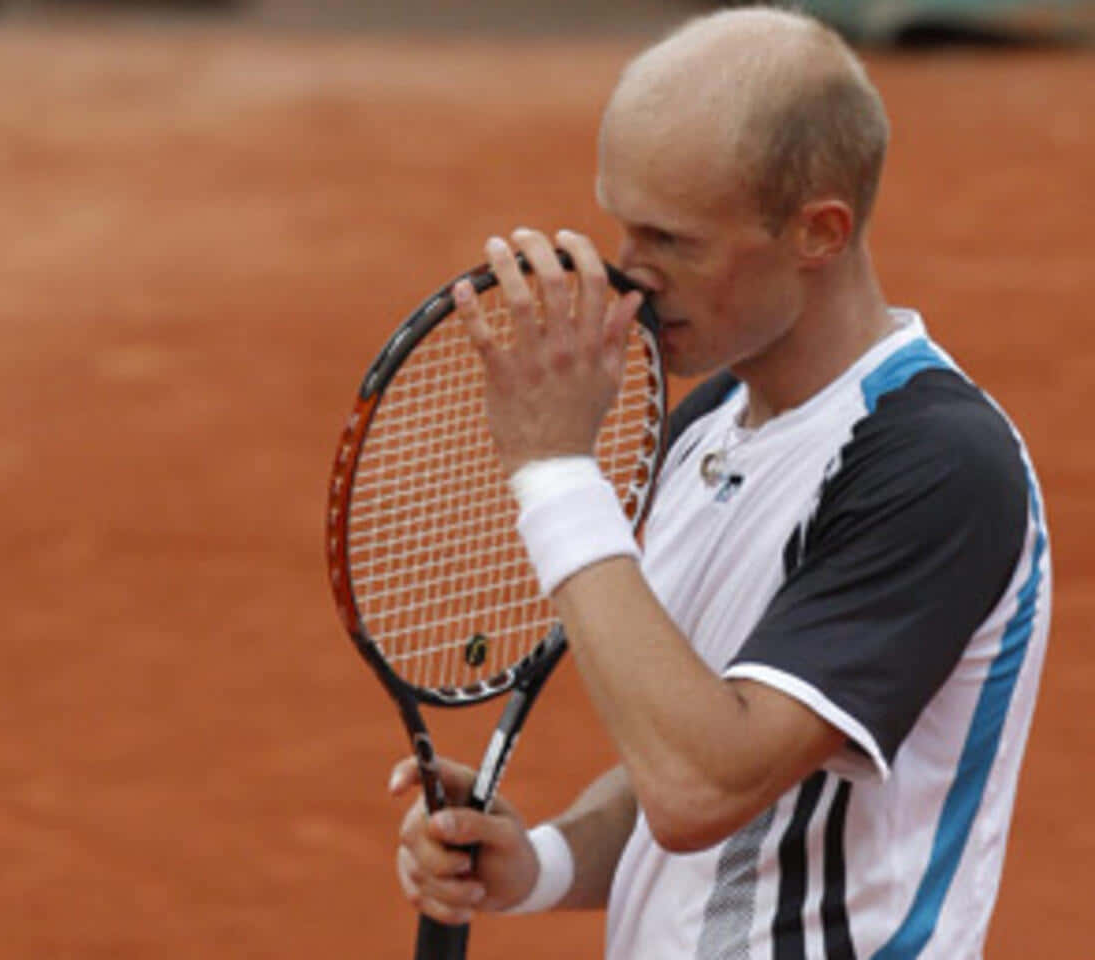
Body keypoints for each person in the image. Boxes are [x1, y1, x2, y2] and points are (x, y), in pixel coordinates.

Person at [388, 6, 1052, 958]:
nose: (630, 274)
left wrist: (554, 465)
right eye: (623, 226)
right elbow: (691, 748)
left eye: (673, 240)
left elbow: (702, 786)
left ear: (818, 232)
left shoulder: (937, 467)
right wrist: (542, 864)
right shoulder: (704, 425)